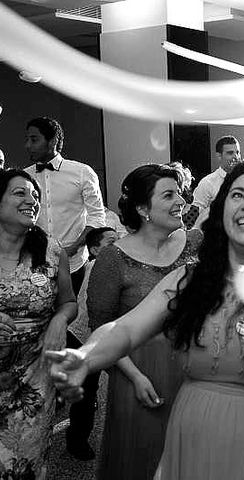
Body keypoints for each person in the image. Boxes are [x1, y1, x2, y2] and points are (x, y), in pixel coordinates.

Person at [48, 161, 244, 480]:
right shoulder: (190, 280)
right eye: (238, 194)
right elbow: (126, 327)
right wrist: (85, 357)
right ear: (221, 210)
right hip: (193, 439)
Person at [87, 164, 201, 480]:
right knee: (144, 455)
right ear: (142, 208)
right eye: (169, 195)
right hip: (138, 371)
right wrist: (135, 377)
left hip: (194, 366)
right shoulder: (113, 259)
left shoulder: (196, 243)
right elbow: (101, 329)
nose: (181, 200)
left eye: (180, 192)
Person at [23, 116, 106, 459]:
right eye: (26, 139)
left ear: (53, 140)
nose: (28, 146)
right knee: (40, 349)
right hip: (36, 275)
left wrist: (72, 246)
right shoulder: (25, 177)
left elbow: (97, 215)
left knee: (83, 353)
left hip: (75, 270)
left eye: (33, 139)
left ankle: (79, 435)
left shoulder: (81, 171)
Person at [0, 169, 76, 479]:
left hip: (33, 380)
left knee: (25, 466)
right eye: (20, 193)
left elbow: (69, 302)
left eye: (35, 196)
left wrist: (60, 319)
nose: (31, 200)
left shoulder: (52, 250)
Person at [67, 227, 118, 348]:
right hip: (83, 337)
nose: (119, 246)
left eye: (120, 241)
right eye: (112, 242)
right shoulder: (96, 266)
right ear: (95, 250)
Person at [186, 136, 241, 229]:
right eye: (230, 153)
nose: (235, 157)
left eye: (237, 152)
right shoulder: (207, 183)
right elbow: (194, 216)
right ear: (219, 156)